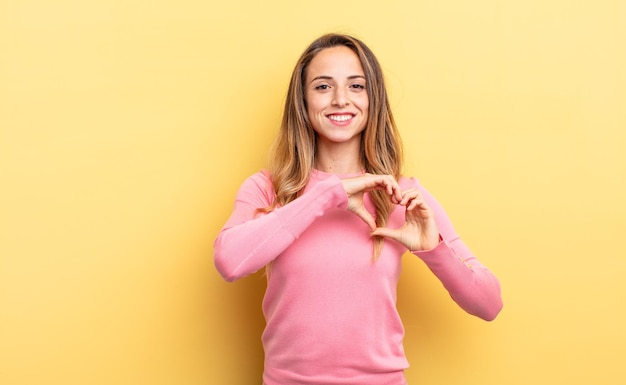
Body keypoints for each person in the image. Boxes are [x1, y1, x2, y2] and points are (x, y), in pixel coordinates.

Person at [213, 33, 503, 385]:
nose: (340, 100)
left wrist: (433, 250)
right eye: (322, 87)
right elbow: (230, 262)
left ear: (373, 98)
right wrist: (325, 196)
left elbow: (489, 303)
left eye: (356, 86)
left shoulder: (402, 196)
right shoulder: (267, 189)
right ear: (302, 101)